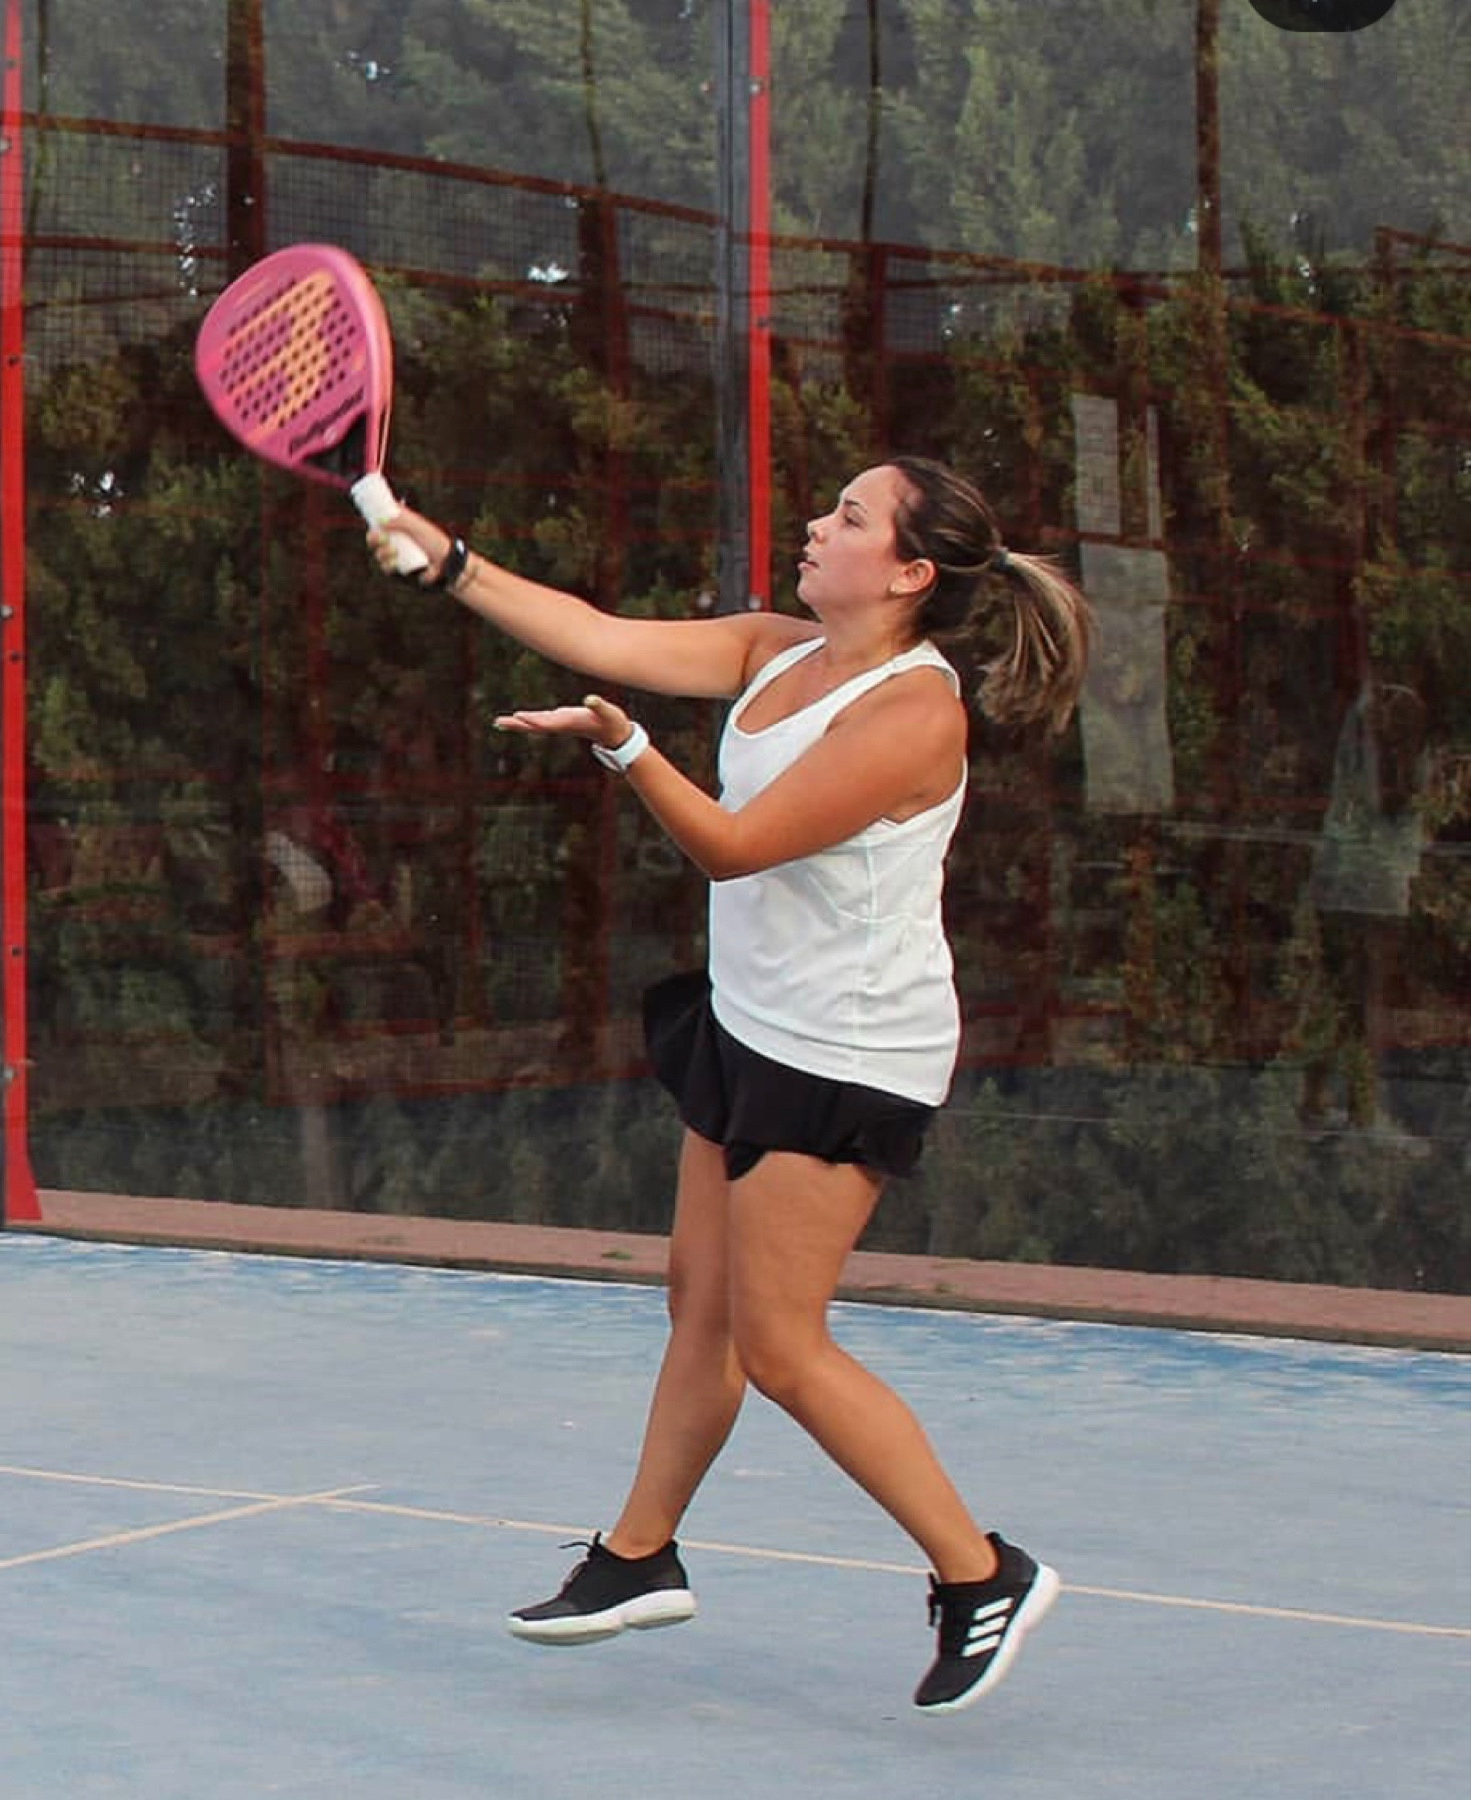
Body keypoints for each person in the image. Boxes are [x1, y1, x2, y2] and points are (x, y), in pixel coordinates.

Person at [369, 455, 1092, 1714]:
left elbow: (736, 846)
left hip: (846, 1055)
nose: (817, 524)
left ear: (910, 574)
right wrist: (456, 568)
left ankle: (982, 1573)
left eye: (850, 518)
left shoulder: (916, 716)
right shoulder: (773, 648)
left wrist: (626, 747)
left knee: (783, 1347)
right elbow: (598, 634)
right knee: (698, 1305)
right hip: (755, 1023)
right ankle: (637, 1557)